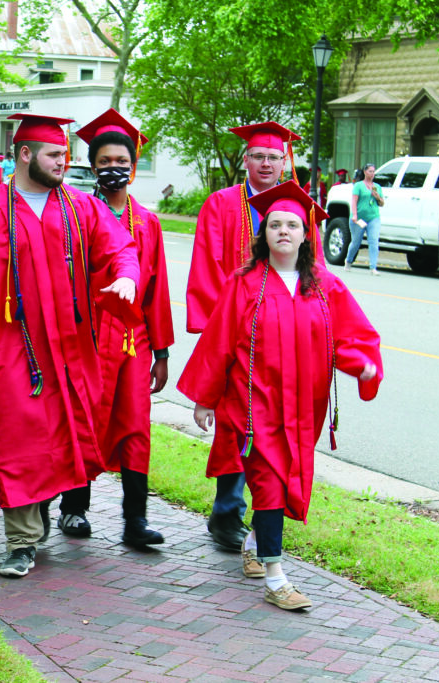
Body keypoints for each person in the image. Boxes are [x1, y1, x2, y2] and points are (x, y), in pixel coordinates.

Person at [0, 113, 140, 577]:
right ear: (25, 154)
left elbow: (121, 248)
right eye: (56, 155)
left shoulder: (82, 208)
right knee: (17, 440)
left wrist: (125, 278)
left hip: (71, 350)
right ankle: (21, 542)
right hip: (10, 349)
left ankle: (42, 520)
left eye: (65, 154)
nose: (66, 162)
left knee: (64, 439)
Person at [177, 181, 382, 610]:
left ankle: (255, 542)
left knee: (284, 484)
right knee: (269, 484)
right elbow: (218, 343)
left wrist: (362, 365)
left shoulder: (325, 286)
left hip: (303, 409)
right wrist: (204, 397)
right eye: (275, 224)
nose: (283, 231)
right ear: (263, 233)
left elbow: (349, 338)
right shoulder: (243, 283)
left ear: (307, 234)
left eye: (292, 224)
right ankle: (276, 577)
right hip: (253, 406)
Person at [185, 121, 309, 552]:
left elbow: (312, 270)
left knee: (275, 427)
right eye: (258, 156)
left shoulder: (296, 208)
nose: (266, 164)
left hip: (282, 338)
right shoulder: (221, 204)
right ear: (246, 160)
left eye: (274, 157)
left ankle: (266, 518)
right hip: (234, 336)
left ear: (284, 162)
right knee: (236, 427)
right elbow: (206, 264)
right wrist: (223, 327)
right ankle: (226, 514)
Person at [56, 108, 175, 547]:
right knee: (82, 419)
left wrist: (161, 353)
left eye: (121, 163)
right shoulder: (75, 214)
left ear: (134, 166)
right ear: (91, 166)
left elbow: (156, 289)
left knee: (135, 426)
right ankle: (73, 509)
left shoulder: (149, 222)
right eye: (104, 162)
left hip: (134, 339)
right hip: (86, 336)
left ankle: (134, 522)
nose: (113, 170)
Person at [345, 163, 385, 275]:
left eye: (373, 171)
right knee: (356, 242)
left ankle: (373, 267)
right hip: (360, 219)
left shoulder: (377, 187)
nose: (372, 174)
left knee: (373, 240)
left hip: (373, 217)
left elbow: (382, 203)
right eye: (370, 171)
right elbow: (354, 201)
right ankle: (348, 261)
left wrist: (377, 196)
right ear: (365, 172)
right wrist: (354, 215)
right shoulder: (358, 186)